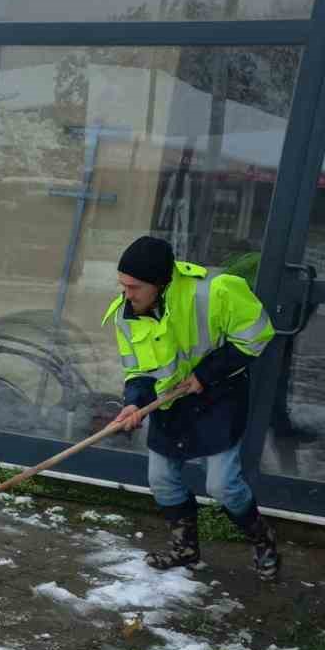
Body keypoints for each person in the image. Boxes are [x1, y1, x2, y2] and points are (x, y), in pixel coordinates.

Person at [104, 235, 280, 579]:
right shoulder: (124, 316)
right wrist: (133, 404)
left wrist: (205, 374)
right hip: (171, 403)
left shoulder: (215, 291)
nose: (127, 294)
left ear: (161, 283)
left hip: (219, 399)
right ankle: (185, 549)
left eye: (135, 287)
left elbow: (258, 334)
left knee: (223, 485)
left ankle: (263, 540)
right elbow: (138, 370)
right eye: (123, 285)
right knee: (161, 479)